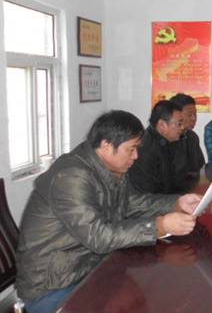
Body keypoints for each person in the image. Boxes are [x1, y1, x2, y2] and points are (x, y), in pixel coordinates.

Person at [16, 110, 201, 313]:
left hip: (88, 267)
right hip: (53, 286)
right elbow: (99, 236)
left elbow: (132, 202)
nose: (136, 156)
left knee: (152, 295)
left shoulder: (110, 168)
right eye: (131, 149)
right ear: (106, 146)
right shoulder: (70, 177)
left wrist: (176, 203)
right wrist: (159, 226)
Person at [129, 100, 198, 194]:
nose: (182, 127)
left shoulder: (170, 140)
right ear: (162, 125)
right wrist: (178, 200)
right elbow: (146, 195)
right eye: (179, 124)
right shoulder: (145, 149)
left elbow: (178, 179)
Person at [170, 93, 205, 177]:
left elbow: (201, 166)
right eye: (189, 115)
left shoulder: (193, 137)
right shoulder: (168, 138)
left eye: (195, 114)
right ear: (176, 115)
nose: (194, 118)